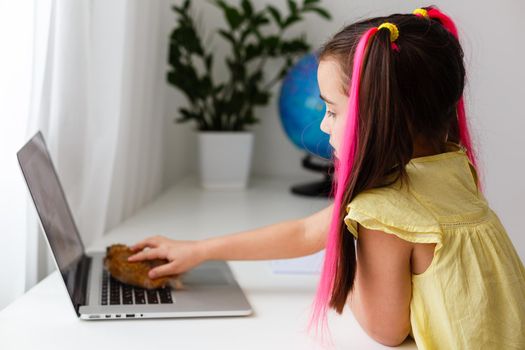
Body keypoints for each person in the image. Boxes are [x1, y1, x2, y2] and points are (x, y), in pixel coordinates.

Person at [126, 6, 525, 349]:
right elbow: (305, 232)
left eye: (333, 110)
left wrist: (345, 262)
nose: (323, 124)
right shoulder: (452, 167)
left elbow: (386, 329)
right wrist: (199, 250)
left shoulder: (385, 210)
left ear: (382, 112)